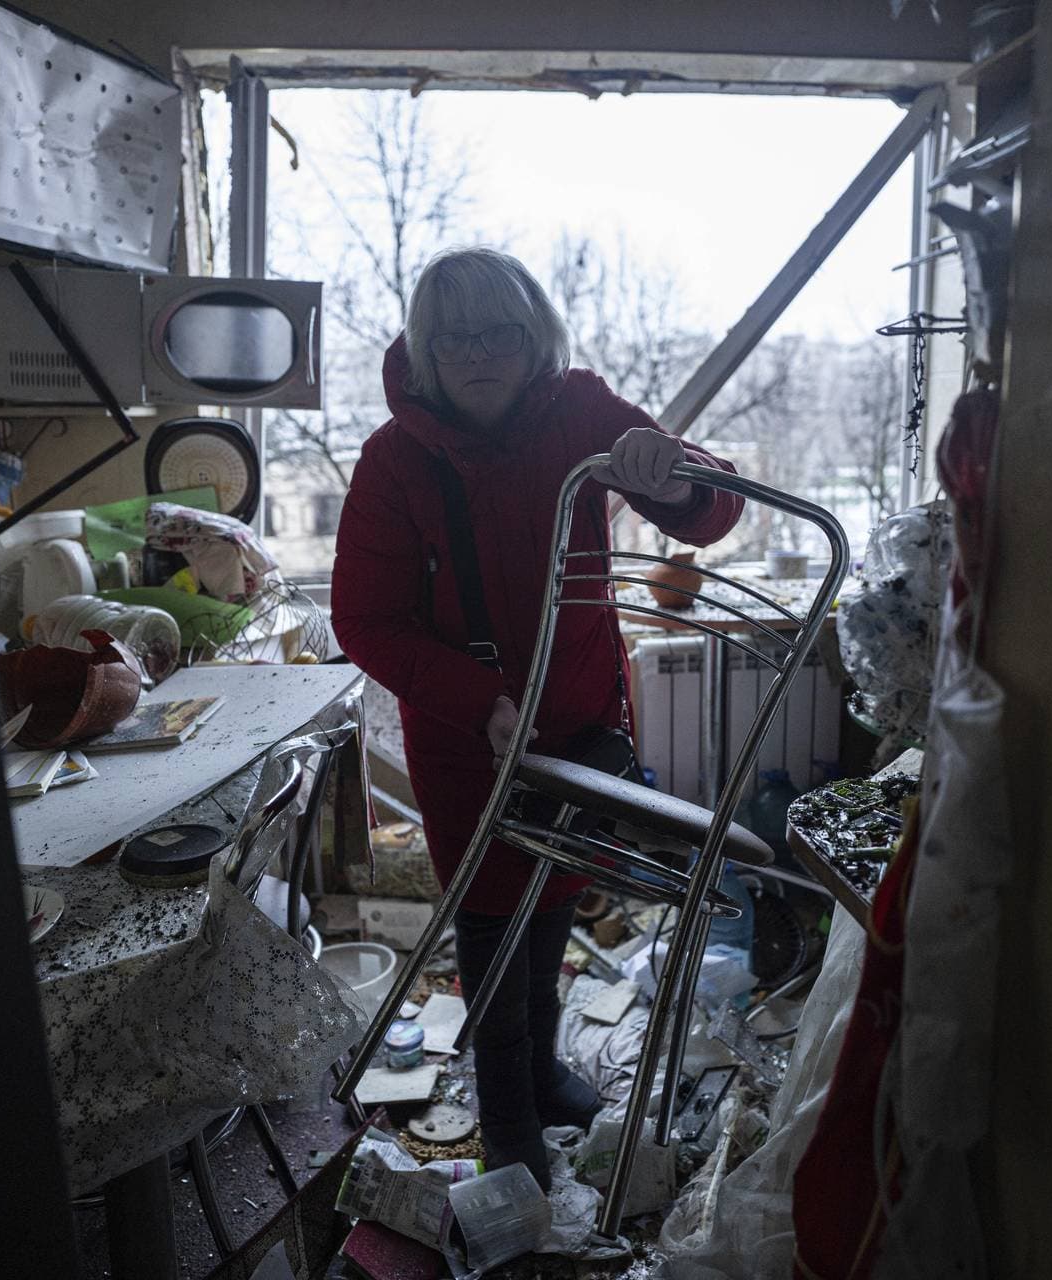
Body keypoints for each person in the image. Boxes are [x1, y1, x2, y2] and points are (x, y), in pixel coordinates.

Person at [331, 247, 745, 1188]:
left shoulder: (581, 410)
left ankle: (546, 1074)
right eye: (454, 338)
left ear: (536, 339)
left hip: (582, 712)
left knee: (557, 892)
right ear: (425, 349)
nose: (478, 355)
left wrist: (674, 477)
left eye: (500, 333)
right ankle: (507, 1112)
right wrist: (479, 700)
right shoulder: (394, 460)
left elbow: (713, 512)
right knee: (491, 916)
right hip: (465, 737)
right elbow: (364, 619)